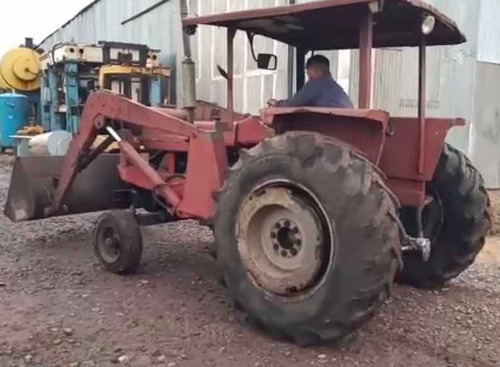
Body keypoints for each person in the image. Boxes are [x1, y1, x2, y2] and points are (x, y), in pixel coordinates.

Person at [268, 55, 353, 108]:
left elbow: (295, 103)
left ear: (316, 71)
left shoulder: (316, 84)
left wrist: (277, 104)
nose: (308, 78)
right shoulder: (334, 87)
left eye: (309, 73)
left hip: (328, 125)